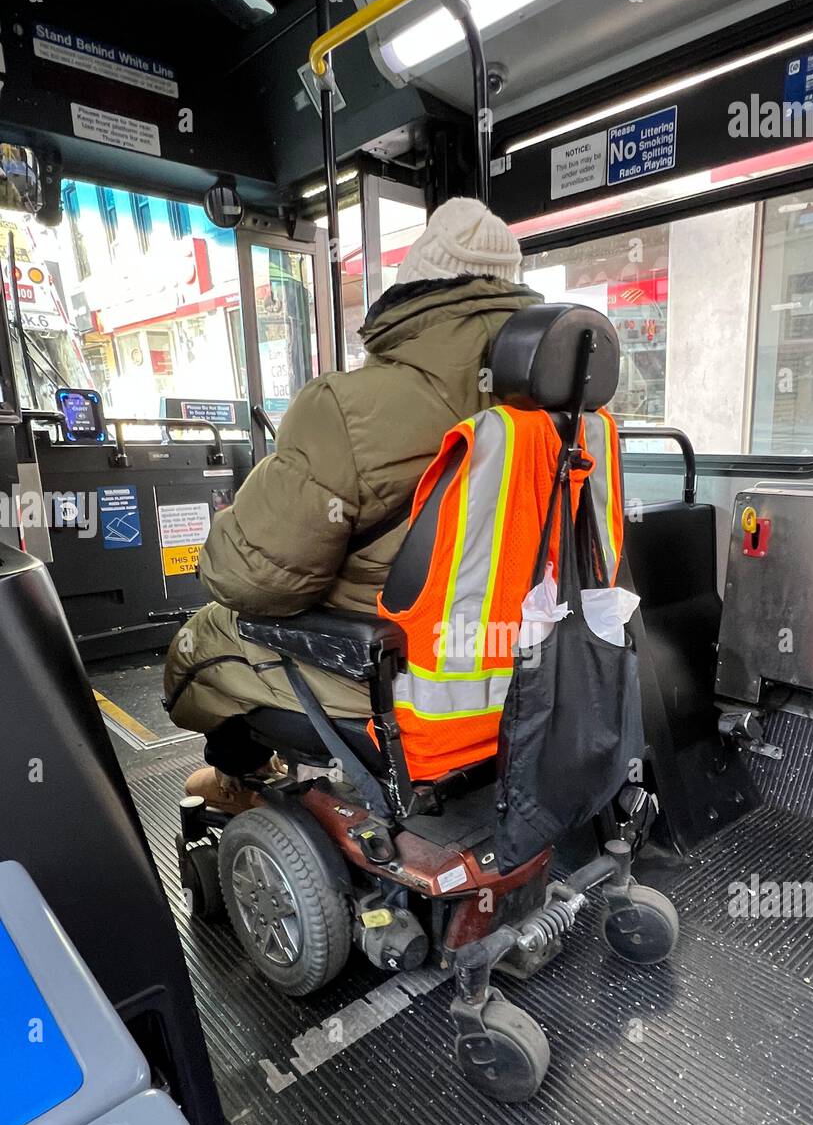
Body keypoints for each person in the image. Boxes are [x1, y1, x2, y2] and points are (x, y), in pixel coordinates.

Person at [165, 198, 541, 809]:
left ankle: (242, 777)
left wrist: (235, 525)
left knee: (203, 640)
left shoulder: (347, 408)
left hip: (396, 678)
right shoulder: (568, 417)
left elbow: (252, 580)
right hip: (531, 671)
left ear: (413, 293)